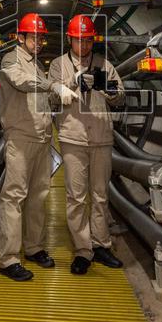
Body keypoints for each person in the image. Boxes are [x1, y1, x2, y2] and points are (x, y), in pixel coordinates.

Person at [0, 12, 78, 281]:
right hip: (20, 138)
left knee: (38, 197)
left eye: (41, 38)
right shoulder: (12, 59)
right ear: (21, 37)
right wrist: (54, 85)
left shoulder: (37, 64)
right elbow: (23, 83)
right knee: (14, 197)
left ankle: (33, 247)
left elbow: (42, 100)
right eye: (34, 37)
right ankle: (8, 259)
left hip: (42, 139)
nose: (39, 42)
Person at [48, 14, 125, 275]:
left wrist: (104, 86)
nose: (84, 46)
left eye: (88, 40)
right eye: (79, 40)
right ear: (70, 39)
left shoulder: (105, 65)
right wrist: (73, 82)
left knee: (100, 195)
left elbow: (119, 97)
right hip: (73, 137)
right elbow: (51, 95)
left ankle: (101, 244)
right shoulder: (59, 65)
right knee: (76, 197)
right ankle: (83, 250)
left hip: (102, 137)